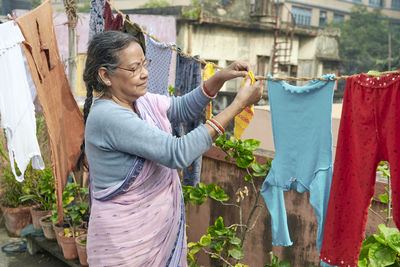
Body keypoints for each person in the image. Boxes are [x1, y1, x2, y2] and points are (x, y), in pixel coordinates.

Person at [82, 30, 263, 267]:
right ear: (106, 76)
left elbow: (182, 109)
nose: (145, 74)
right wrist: (238, 104)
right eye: (134, 68)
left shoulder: (138, 102)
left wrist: (220, 77)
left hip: (150, 237)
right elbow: (178, 153)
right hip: (127, 246)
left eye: (145, 64)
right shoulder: (108, 116)